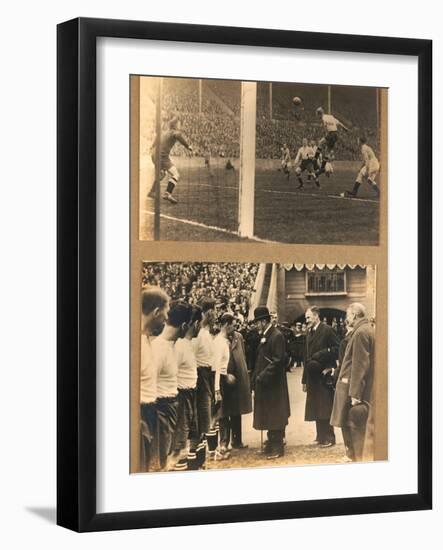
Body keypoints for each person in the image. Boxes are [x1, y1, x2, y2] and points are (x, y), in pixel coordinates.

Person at [330, 303, 375, 461]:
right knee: (349, 421)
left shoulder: (360, 333)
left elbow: (360, 364)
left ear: (355, 315)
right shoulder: (364, 330)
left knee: (351, 422)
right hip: (350, 385)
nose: (345, 319)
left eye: (347, 316)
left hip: (351, 387)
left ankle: (354, 455)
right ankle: (353, 454)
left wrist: (355, 393)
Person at [152, 301, 193, 470]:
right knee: (158, 464)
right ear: (184, 325)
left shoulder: (173, 346)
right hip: (159, 411)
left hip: (170, 408)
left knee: (166, 460)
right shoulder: (159, 349)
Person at [252, 306, 290, 459]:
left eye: (257, 323)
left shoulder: (276, 335)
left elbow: (278, 360)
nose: (255, 326)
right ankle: (271, 442)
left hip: (273, 384)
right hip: (266, 384)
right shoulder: (267, 335)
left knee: (275, 414)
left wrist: (262, 376)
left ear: (263, 322)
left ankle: (277, 447)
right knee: (269, 413)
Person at [139, 286, 170, 472]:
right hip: (141, 415)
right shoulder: (136, 345)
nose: (167, 319)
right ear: (156, 312)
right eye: (165, 315)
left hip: (150, 411)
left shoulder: (146, 341)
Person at [171, 305, 203, 471]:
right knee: (181, 437)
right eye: (199, 323)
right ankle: (180, 469)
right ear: (195, 324)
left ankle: (192, 468)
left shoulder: (189, 344)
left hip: (192, 393)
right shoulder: (181, 346)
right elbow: (172, 373)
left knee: (193, 433)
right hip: (182, 396)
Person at [302, 306, 339, 447]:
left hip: (324, 375)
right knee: (316, 406)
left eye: (308, 317)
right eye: (306, 318)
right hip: (312, 376)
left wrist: (326, 360)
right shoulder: (309, 332)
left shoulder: (327, 330)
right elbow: (306, 357)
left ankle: (330, 437)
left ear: (316, 316)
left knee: (326, 406)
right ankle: (320, 435)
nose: (306, 321)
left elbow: (337, 348)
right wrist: (304, 380)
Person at [219, 319, 252, 452]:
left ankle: (237, 440)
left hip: (237, 378)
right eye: (232, 324)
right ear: (226, 325)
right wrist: (225, 375)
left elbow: (242, 355)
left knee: (237, 410)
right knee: (224, 412)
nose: (235, 327)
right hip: (225, 378)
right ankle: (224, 442)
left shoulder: (238, 337)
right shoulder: (219, 340)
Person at [147, 116, 193, 204]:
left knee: (162, 174)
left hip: (154, 154)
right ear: (175, 124)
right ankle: (168, 193)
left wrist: (152, 146)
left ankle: (152, 192)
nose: (180, 125)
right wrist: (188, 146)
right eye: (179, 123)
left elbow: (157, 137)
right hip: (162, 156)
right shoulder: (174, 132)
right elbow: (178, 135)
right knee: (176, 174)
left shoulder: (165, 132)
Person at [192, 297, 216, 452]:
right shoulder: (199, 334)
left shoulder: (207, 333)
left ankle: (206, 449)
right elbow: (192, 357)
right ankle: (198, 450)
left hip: (208, 373)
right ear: (207, 312)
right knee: (203, 412)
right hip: (201, 374)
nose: (216, 313)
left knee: (209, 412)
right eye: (214, 310)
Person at [314, 106, 349, 177]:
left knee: (320, 143)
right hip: (336, 135)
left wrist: (325, 135)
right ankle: (322, 168)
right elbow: (338, 122)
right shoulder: (331, 116)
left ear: (319, 114)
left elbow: (325, 128)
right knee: (327, 151)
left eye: (317, 115)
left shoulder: (323, 118)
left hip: (331, 134)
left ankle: (315, 159)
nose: (318, 117)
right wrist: (345, 128)